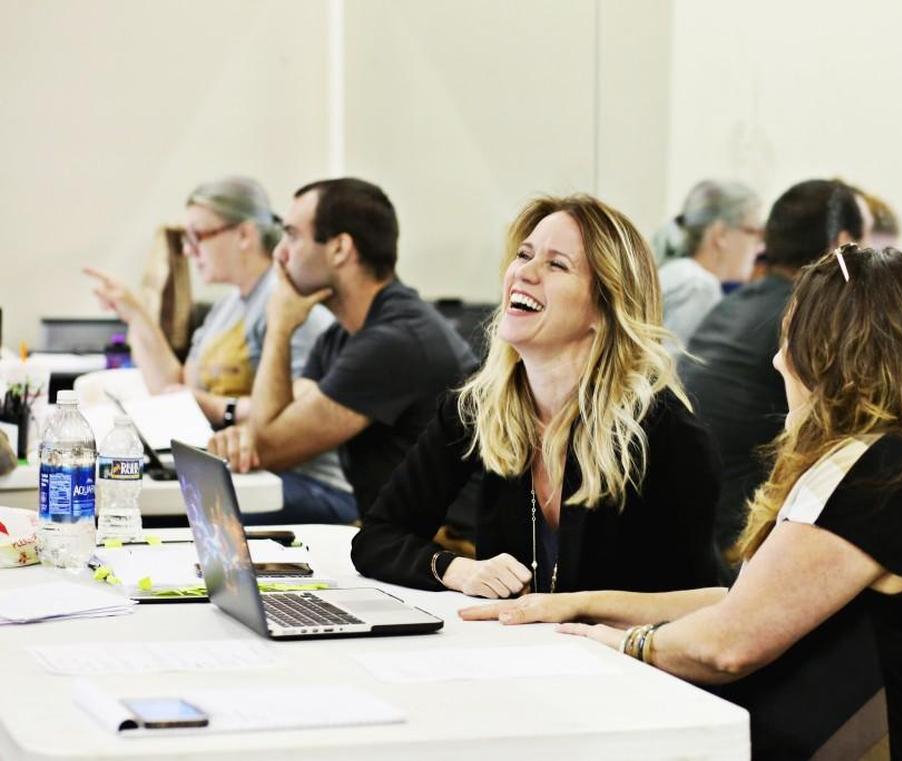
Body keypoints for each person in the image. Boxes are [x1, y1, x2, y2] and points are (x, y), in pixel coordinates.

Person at [463, 246, 902, 760]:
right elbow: (747, 602)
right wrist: (579, 605)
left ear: (829, 355)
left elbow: (729, 644)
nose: (778, 361)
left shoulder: (885, 473)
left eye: (789, 342)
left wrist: (616, 643)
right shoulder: (901, 461)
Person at [350, 194, 720, 597]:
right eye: (524, 255)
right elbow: (377, 537)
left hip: (614, 656)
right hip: (514, 652)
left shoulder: (664, 432)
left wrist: (563, 613)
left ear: (604, 308)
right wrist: (456, 569)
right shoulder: (480, 404)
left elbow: (696, 606)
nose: (525, 273)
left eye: (556, 264)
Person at [209, 178, 478, 525]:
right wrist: (242, 437)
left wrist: (279, 326)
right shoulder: (345, 334)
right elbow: (278, 421)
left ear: (339, 249)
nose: (279, 254)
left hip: (451, 550)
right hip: (401, 539)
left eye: (292, 236)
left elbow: (269, 448)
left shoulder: (395, 341)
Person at [85, 176, 353, 522]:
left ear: (243, 235)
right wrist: (136, 316)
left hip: (304, 481)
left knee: (144, 515)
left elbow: (299, 413)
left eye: (197, 236)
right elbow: (177, 386)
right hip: (248, 470)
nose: (187, 250)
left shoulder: (287, 304)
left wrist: (217, 409)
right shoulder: (227, 306)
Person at [679, 179, 863, 579]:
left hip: (690, 525)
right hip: (737, 543)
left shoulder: (732, 306)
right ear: (843, 243)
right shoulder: (805, 319)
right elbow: (856, 437)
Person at [652, 180, 763, 352]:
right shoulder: (698, 286)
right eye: (753, 232)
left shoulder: (682, 273)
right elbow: (674, 371)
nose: (759, 246)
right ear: (721, 234)